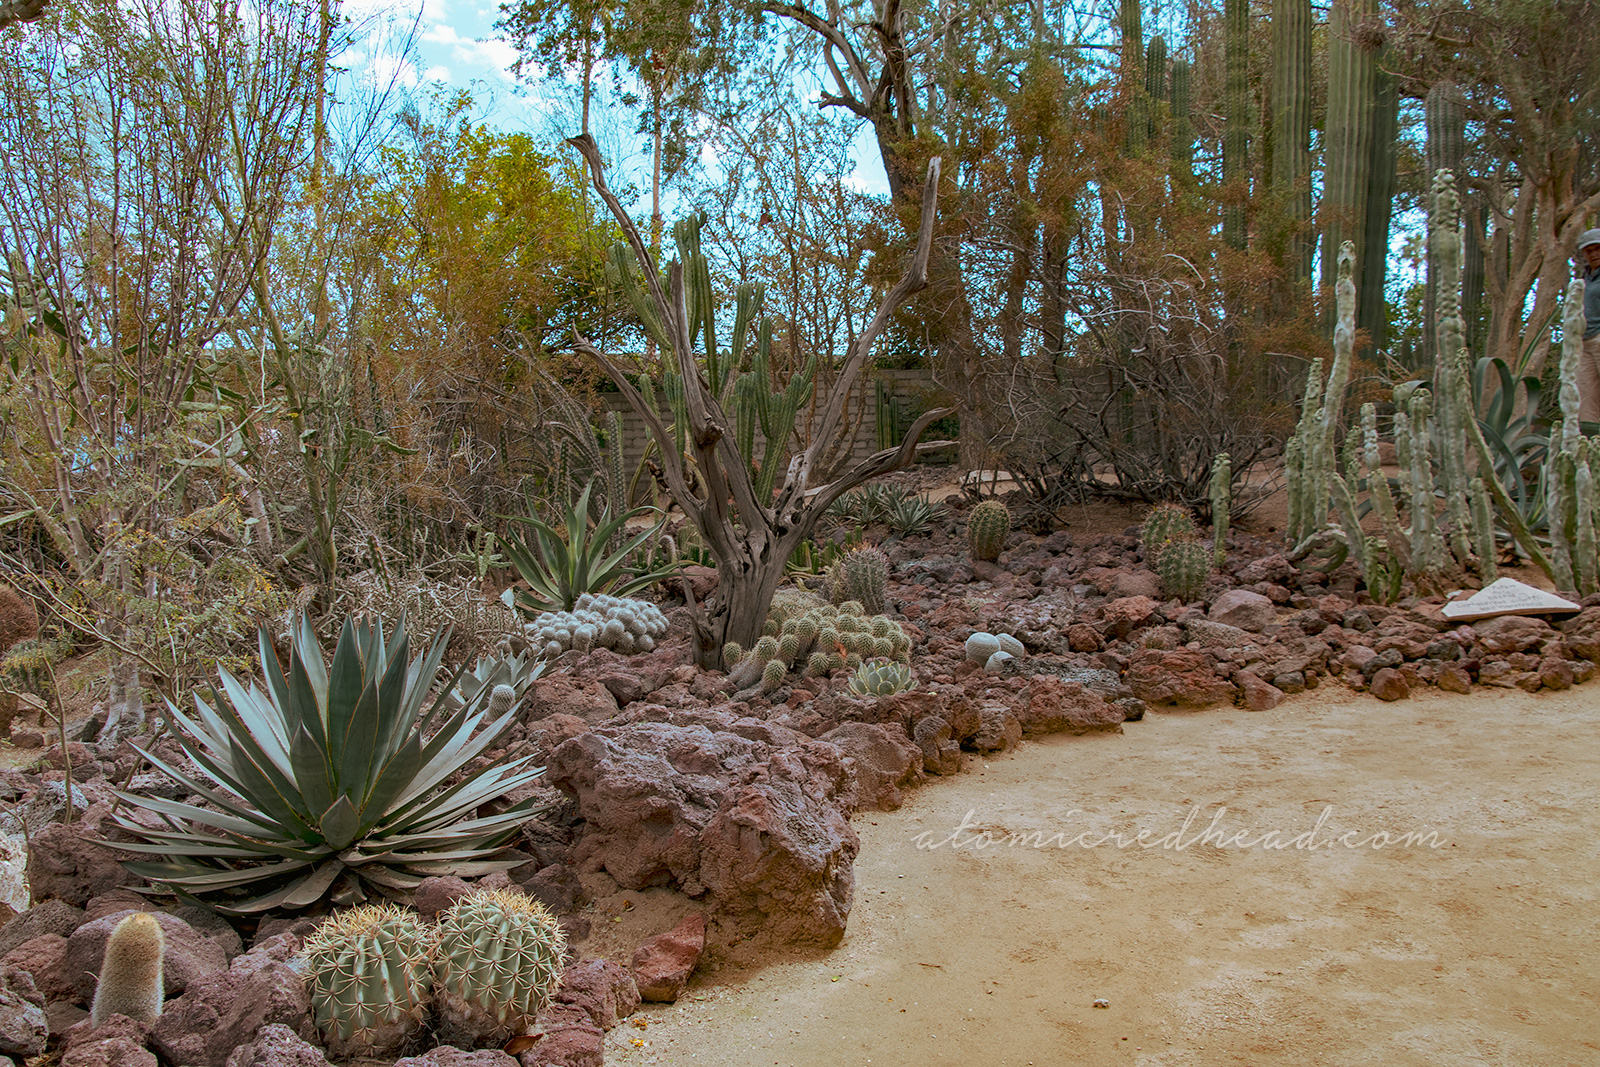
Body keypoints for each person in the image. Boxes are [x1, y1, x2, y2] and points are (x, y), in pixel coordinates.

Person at [1579, 229, 1600, 431]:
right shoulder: (1586, 278)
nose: (1594, 254)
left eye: (1598, 249)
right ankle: (1592, 448)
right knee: (1586, 397)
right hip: (1583, 342)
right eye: (1589, 250)